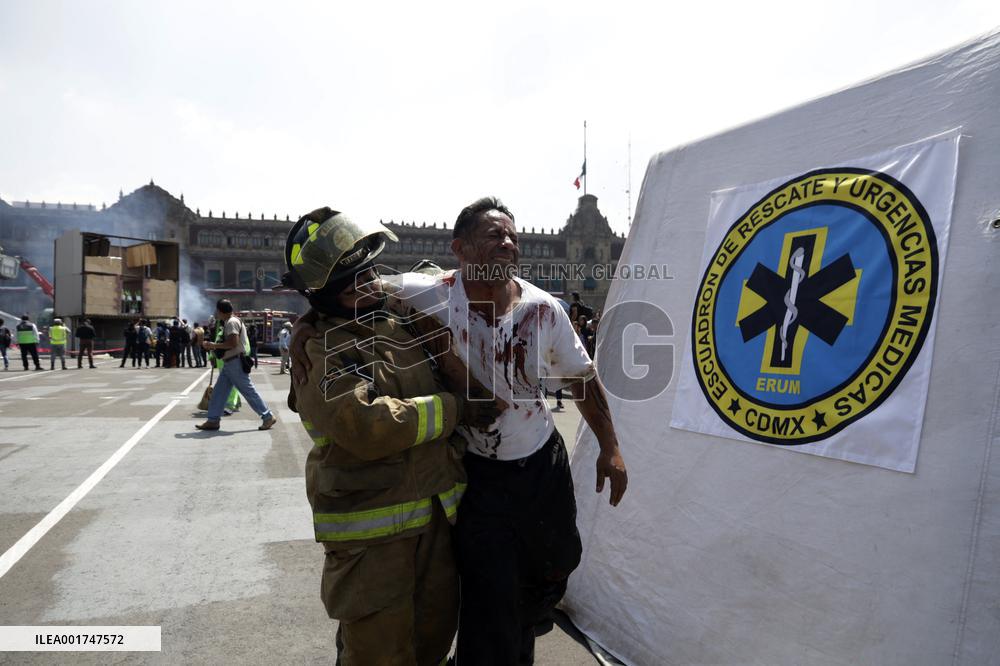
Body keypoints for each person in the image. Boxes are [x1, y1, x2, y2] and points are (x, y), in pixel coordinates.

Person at [384, 196, 628, 664]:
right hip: (479, 475)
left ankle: (515, 630)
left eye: (512, 236)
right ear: (460, 248)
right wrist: (312, 323)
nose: (508, 243)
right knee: (490, 593)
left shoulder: (542, 308)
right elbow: (354, 289)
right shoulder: (430, 294)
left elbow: (581, 379)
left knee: (556, 565)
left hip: (541, 462)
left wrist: (611, 446)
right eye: (494, 235)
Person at [280, 206, 501, 666]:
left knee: (433, 643)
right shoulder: (320, 350)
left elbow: (447, 280)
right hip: (372, 542)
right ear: (321, 297)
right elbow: (366, 426)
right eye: (351, 286)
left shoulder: (401, 321)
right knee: (378, 654)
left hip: (435, 525)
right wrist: (456, 409)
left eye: (370, 275)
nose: (368, 288)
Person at [196, 299, 276, 432]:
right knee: (218, 393)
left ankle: (267, 416)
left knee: (248, 391)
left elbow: (233, 343)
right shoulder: (229, 321)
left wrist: (213, 345)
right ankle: (213, 420)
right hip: (230, 363)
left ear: (220, 311)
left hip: (235, 363)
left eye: (217, 311)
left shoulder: (232, 322)